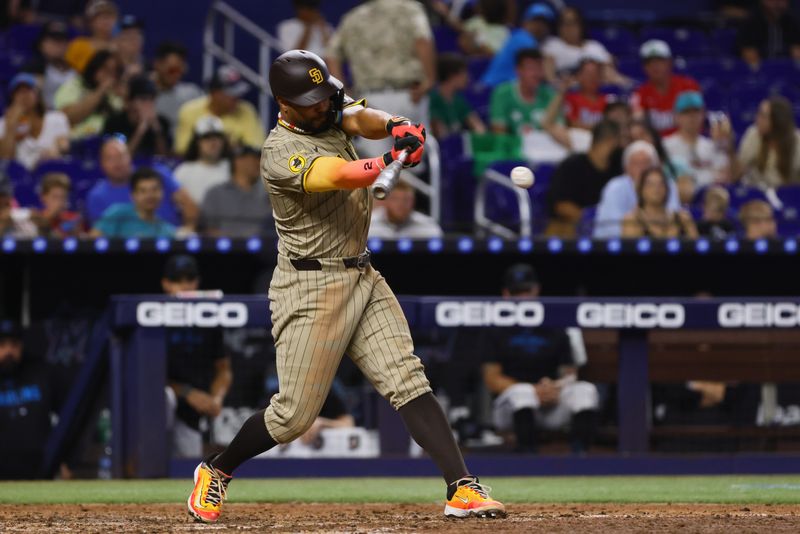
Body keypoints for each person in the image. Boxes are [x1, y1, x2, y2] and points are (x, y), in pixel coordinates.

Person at [187, 49, 505, 523]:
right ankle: (217, 470)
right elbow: (335, 175)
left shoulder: (325, 108)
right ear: (285, 103)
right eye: (311, 102)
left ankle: (462, 487)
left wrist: (398, 126)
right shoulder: (278, 150)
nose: (323, 106)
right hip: (309, 286)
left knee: (407, 379)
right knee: (292, 416)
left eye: (323, 97)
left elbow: (359, 117)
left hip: (361, 273)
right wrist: (385, 164)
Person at [479, 264, 599, 453]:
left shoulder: (554, 325)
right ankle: (528, 457)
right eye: (517, 292)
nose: (523, 297)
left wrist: (554, 387)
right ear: (506, 294)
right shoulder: (496, 328)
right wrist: (534, 390)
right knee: (522, 392)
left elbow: (569, 373)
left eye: (527, 291)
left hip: (551, 400)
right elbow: (491, 379)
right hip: (511, 409)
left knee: (585, 390)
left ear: (536, 290)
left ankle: (580, 458)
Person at [326, 0, 435, 156]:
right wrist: (429, 80)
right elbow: (422, 41)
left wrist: (344, 93)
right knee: (412, 161)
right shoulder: (409, 9)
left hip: (370, 100)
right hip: (408, 94)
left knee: (378, 165)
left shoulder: (353, 17)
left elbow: (331, 55)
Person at [162, 255, 232, 458]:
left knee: (189, 466)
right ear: (166, 284)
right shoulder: (154, 318)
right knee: (165, 397)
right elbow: (145, 377)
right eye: (177, 280)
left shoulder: (210, 319)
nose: (185, 286)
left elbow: (223, 369)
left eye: (189, 279)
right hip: (155, 409)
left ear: (197, 282)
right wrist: (186, 391)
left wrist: (216, 399)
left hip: (190, 413)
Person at [0, 320, 64, 479]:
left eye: (14, 344)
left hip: (40, 469)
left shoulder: (41, 373)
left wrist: (65, 460)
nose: (9, 350)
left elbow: (66, 417)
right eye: (2, 344)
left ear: (21, 345)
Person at [85, 137, 197, 226]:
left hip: (171, 241)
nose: (117, 163)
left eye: (121, 156)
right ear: (101, 164)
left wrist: (189, 228)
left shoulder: (157, 174)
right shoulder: (97, 196)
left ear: (130, 157)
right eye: (110, 158)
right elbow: (99, 236)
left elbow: (188, 203)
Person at [545, 120, 621, 237]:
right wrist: (591, 218)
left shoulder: (617, 169)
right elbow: (561, 206)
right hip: (573, 229)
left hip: (609, 230)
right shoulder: (572, 166)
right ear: (612, 141)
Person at [593, 140, 681, 239]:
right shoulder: (614, 188)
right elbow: (611, 227)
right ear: (626, 168)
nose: (642, 168)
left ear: (656, 167)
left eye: (646, 163)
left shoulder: (667, 184)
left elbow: (674, 218)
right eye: (636, 163)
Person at [174, 65, 265, 155]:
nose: (236, 98)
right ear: (214, 94)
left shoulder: (246, 110)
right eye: (231, 94)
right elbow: (182, 149)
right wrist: (227, 146)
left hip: (235, 167)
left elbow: (256, 148)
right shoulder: (189, 111)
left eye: (238, 94)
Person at [490, 48, 569, 147]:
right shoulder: (502, 94)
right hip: (514, 152)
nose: (536, 74)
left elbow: (561, 132)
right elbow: (500, 136)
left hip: (545, 150)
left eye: (539, 68)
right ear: (518, 70)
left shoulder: (550, 96)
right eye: (531, 68)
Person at [542, 6, 627, 86]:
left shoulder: (593, 46)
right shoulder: (552, 45)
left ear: (581, 25)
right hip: (566, 92)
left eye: (572, 23)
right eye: (564, 23)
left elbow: (610, 69)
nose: (568, 28)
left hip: (593, 90)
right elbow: (549, 77)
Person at [631, 40, 701, 136]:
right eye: (649, 62)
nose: (654, 66)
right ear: (644, 67)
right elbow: (637, 126)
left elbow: (697, 120)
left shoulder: (688, 86)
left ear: (669, 62)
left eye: (659, 60)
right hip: (656, 146)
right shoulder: (640, 93)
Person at [663, 91, 733, 188]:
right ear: (676, 116)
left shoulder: (711, 146)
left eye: (696, 111)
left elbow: (724, 176)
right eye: (686, 112)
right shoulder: (665, 146)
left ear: (703, 114)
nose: (691, 117)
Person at [200, 145, 273, 237]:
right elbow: (207, 230)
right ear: (238, 161)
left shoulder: (269, 195)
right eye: (255, 159)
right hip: (222, 249)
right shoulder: (215, 194)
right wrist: (238, 242)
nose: (260, 163)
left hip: (263, 248)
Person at [0, 73, 70, 169]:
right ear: (12, 98)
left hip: (51, 170)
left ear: (37, 94)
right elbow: (5, 160)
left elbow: (64, 146)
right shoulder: (3, 124)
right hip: (20, 177)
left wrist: (57, 149)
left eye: (28, 90)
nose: (24, 96)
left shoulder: (57, 118)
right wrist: (11, 127)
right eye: (19, 92)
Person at [481, 2, 556, 87]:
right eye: (536, 21)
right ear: (525, 22)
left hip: (504, 87)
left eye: (544, 23)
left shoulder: (522, 38)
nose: (540, 27)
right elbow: (544, 71)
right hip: (493, 89)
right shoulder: (522, 38)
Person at [54, 49, 124, 139]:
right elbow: (68, 118)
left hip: (105, 144)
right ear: (94, 67)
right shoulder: (74, 85)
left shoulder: (115, 96)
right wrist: (101, 89)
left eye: (113, 72)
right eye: (105, 69)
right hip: (73, 142)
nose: (109, 76)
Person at [92, 167, 177, 238]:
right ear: (133, 195)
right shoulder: (117, 214)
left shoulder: (167, 231)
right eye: (143, 191)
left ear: (162, 193)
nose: (150, 195)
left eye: (155, 190)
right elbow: (92, 241)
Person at [738, 96, 800, 189]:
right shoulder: (753, 134)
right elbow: (737, 173)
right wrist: (729, 148)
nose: (757, 119)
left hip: (788, 198)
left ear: (778, 121)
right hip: (757, 194)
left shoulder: (797, 141)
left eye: (763, 116)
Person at [103, 75, 171, 157]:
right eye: (143, 99)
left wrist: (156, 129)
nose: (148, 104)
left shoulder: (162, 123)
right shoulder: (114, 122)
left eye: (152, 99)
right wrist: (141, 129)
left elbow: (165, 158)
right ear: (130, 101)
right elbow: (120, 158)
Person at [621, 166, 698, 238]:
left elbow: (695, 245)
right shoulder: (632, 220)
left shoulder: (683, 218)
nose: (656, 188)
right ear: (641, 189)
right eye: (650, 184)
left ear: (667, 188)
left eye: (661, 184)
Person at [174, 116, 232, 205]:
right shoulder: (183, 172)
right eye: (207, 137)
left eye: (217, 136)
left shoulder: (234, 169)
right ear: (197, 142)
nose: (213, 142)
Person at [429, 53, 487, 139]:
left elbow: (478, 127)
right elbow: (440, 133)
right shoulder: (433, 99)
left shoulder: (458, 100)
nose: (468, 78)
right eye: (464, 73)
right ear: (452, 75)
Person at [21, 21, 76, 110]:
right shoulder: (32, 68)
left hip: (74, 116)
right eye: (53, 40)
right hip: (44, 117)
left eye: (62, 40)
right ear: (42, 44)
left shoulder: (76, 70)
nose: (58, 45)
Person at [152, 42, 203, 136]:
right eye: (172, 70)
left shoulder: (192, 93)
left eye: (180, 70)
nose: (177, 75)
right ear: (157, 64)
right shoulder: (144, 96)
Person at [368, 177, 443, 239]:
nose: (401, 204)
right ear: (386, 200)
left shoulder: (428, 227)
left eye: (406, 199)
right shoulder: (369, 225)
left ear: (413, 201)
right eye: (395, 199)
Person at [432, 0, 510, 57]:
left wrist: (477, 42)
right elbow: (461, 28)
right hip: (470, 60)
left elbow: (494, 54)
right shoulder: (477, 21)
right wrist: (446, 14)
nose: (478, 8)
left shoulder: (504, 31)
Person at [738, 0, 800, 67]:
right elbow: (749, 54)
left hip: (786, 70)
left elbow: (797, 52)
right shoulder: (750, 23)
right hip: (759, 71)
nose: (778, 4)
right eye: (774, 1)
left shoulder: (792, 22)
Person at [556, 57, 610, 131]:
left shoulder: (608, 100)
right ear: (579, 76)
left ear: (601, 77)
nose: (592, 78)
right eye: (588, 74)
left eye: (596, 74)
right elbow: (571, 123)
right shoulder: (570, 98)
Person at [64, 0, 118, 73]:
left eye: (110, 17)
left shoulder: (120, 47)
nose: (107, 21)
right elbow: (67, 73)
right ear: (91, 22)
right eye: (102, 17)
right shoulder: (78, 45)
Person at [30, 172, 83, 237]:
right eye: (55, 197)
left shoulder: (73, 219)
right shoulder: (36, 218)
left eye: (63, 197)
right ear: (43, 197)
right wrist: (49, 218)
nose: (59, 202)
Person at [115, 14, 145, 79]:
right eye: (128, 34)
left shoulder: (149, 68)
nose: (134, 39)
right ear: (117, 41)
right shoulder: (110, 68)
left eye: (138, 34)